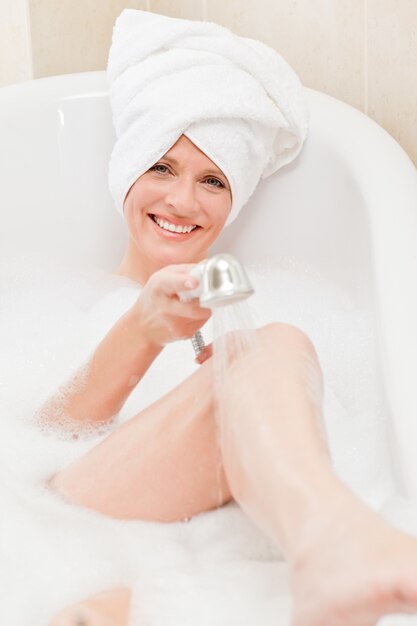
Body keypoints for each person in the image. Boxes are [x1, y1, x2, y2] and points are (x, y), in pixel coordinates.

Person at [47, 9, 417, 626]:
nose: (182, 201)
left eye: (213, 180)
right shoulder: (63, 299)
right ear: (127, 167)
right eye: (162, 166)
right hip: (69, 511)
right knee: (272, 347)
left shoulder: (248, 299)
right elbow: (43, 438)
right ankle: (337, 544)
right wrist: (141, 330)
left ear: (235, 197)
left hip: (168, 549)